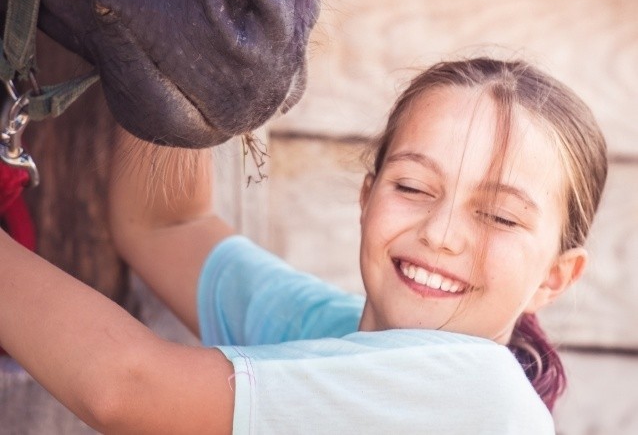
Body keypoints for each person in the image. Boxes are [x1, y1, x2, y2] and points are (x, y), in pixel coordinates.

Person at [0, 57, 607, 434]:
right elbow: (165, 228)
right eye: (413, 187)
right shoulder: (328, 332)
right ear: (367, 196)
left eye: (499, 217)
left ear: (556, 277)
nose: (441, 234)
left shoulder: (482, 399)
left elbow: (126, 391)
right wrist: (174, 45)